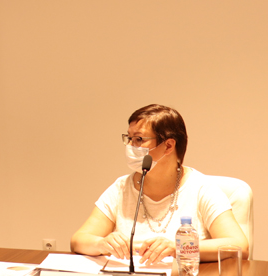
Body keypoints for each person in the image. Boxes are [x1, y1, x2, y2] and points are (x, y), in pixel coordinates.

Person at [71, 104, 248, 263]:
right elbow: (78, 240)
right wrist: (101, 243)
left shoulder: (201, 188)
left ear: (168, 146)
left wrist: (178, 248)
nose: (130, 146)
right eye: (129, 138)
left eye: (139, 139)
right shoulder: (122, 188)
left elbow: (239, 245)